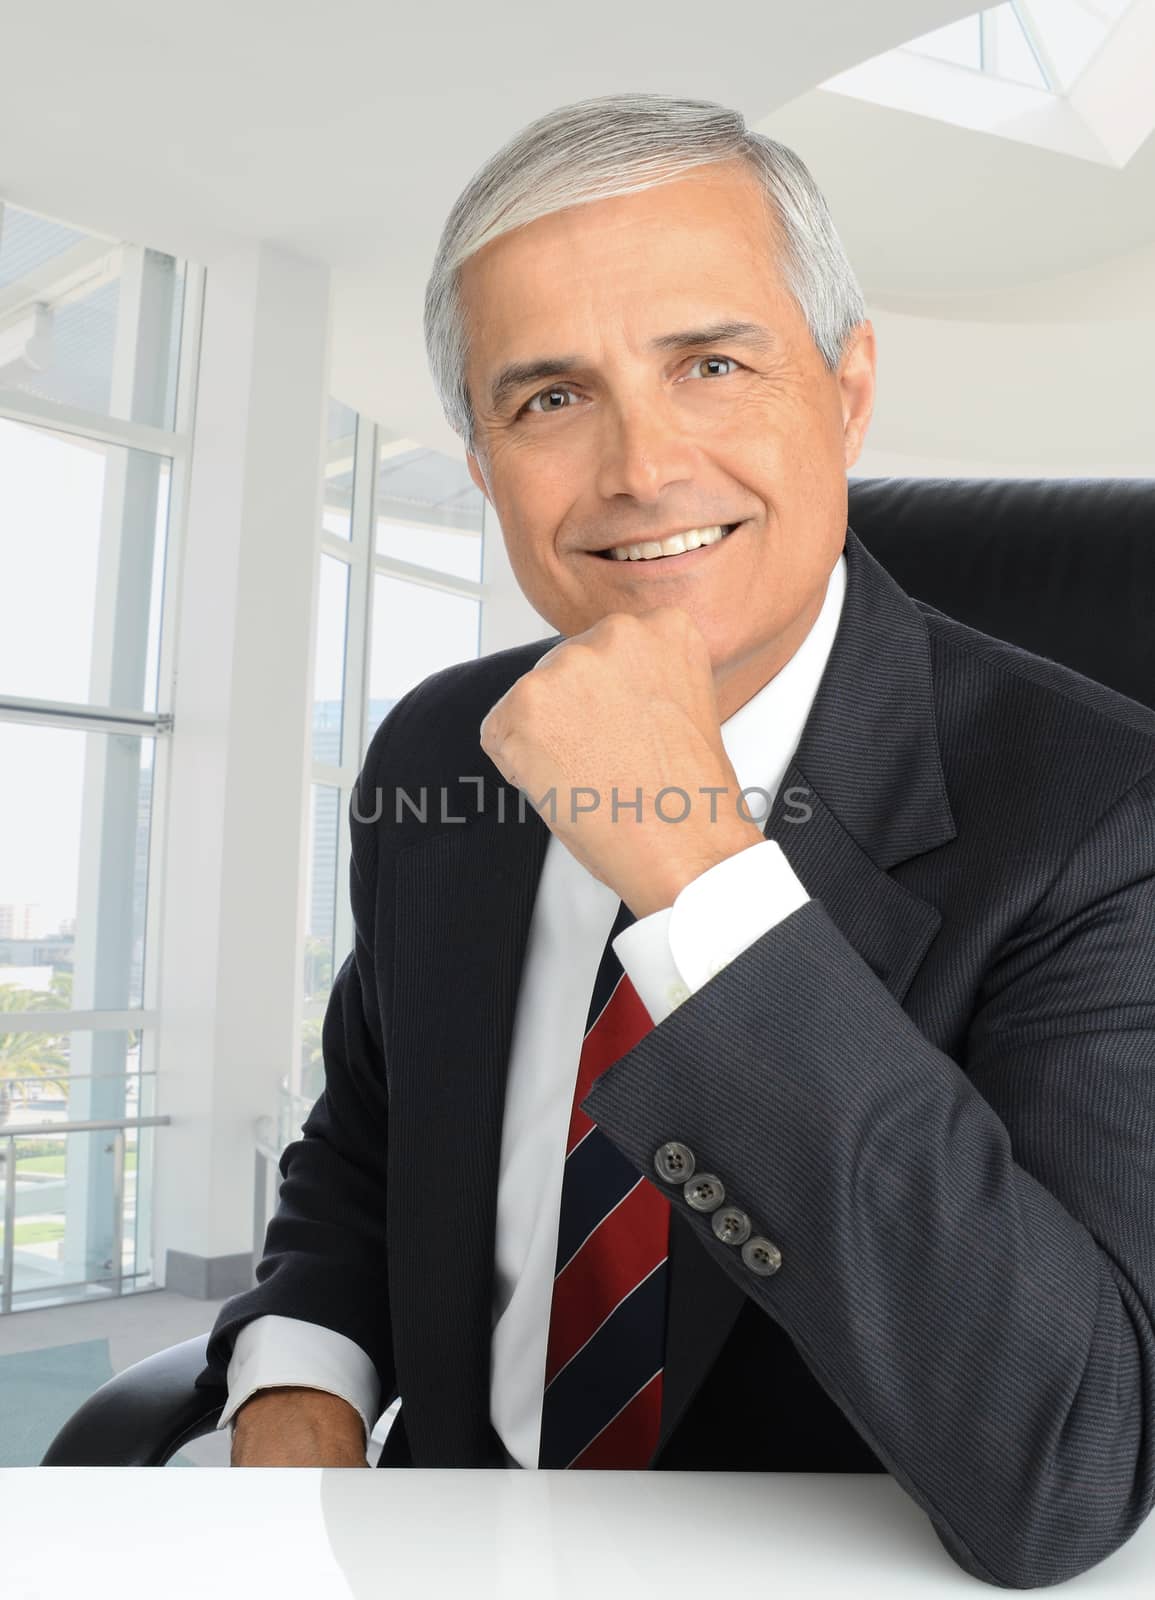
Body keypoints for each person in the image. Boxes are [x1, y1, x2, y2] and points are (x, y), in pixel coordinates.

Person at [196, 93, 1155, 1588]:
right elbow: (375, 1139)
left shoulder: (1105, 818)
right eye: (551, 399)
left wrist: (700, 878)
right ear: (484, 461)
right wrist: (301, 1383)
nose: (641, 468)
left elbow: (1065, 1464)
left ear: (845, 395)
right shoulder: (445, 751)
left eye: (711, 364)